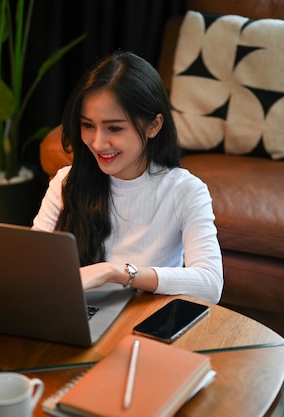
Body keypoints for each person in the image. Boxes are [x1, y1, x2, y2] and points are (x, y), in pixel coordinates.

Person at [33, 51, 223, 304]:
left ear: (153, 126)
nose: (98, 143)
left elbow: (210, 283)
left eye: (115, 128)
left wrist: (115, 272)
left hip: (145, 318)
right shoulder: (66, 181)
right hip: (78, 313)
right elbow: (33, 265)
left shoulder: (185, 190)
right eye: (88, 125)